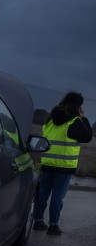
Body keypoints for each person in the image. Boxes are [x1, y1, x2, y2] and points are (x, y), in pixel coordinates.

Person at [33, 91, 92, 235]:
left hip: (47, 163)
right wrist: (84, 119)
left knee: (42, 193)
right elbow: (87, 137)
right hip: (64, 167)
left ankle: (38, 221)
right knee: (57, 196)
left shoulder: (50, 119)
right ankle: (53, 226)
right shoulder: (74, 121)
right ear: (78, 106)